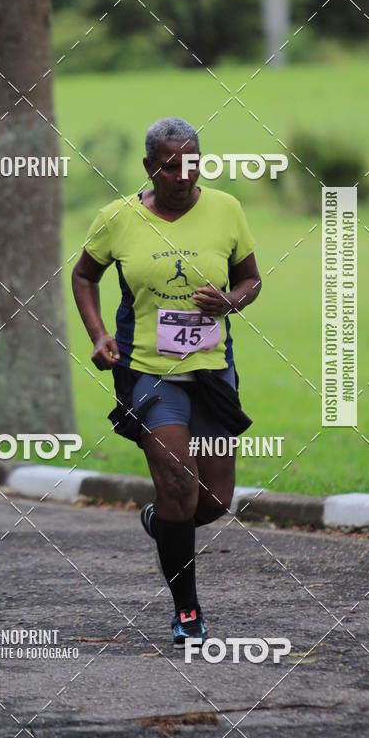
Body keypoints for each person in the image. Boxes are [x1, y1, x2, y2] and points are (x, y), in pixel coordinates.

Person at [72, 117, 262, 647]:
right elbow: (84, 274)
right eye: (172, 166)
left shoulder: (227, 209)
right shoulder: (119, 218)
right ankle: (187, 613)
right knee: (179, 482)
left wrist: (232, 301)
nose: (184, 175)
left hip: (211, 371)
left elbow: (251, 278)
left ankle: (163, 523)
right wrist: (97, 333)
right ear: (149, 167)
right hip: (149, 372)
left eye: (193, 163)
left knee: (213, 501)